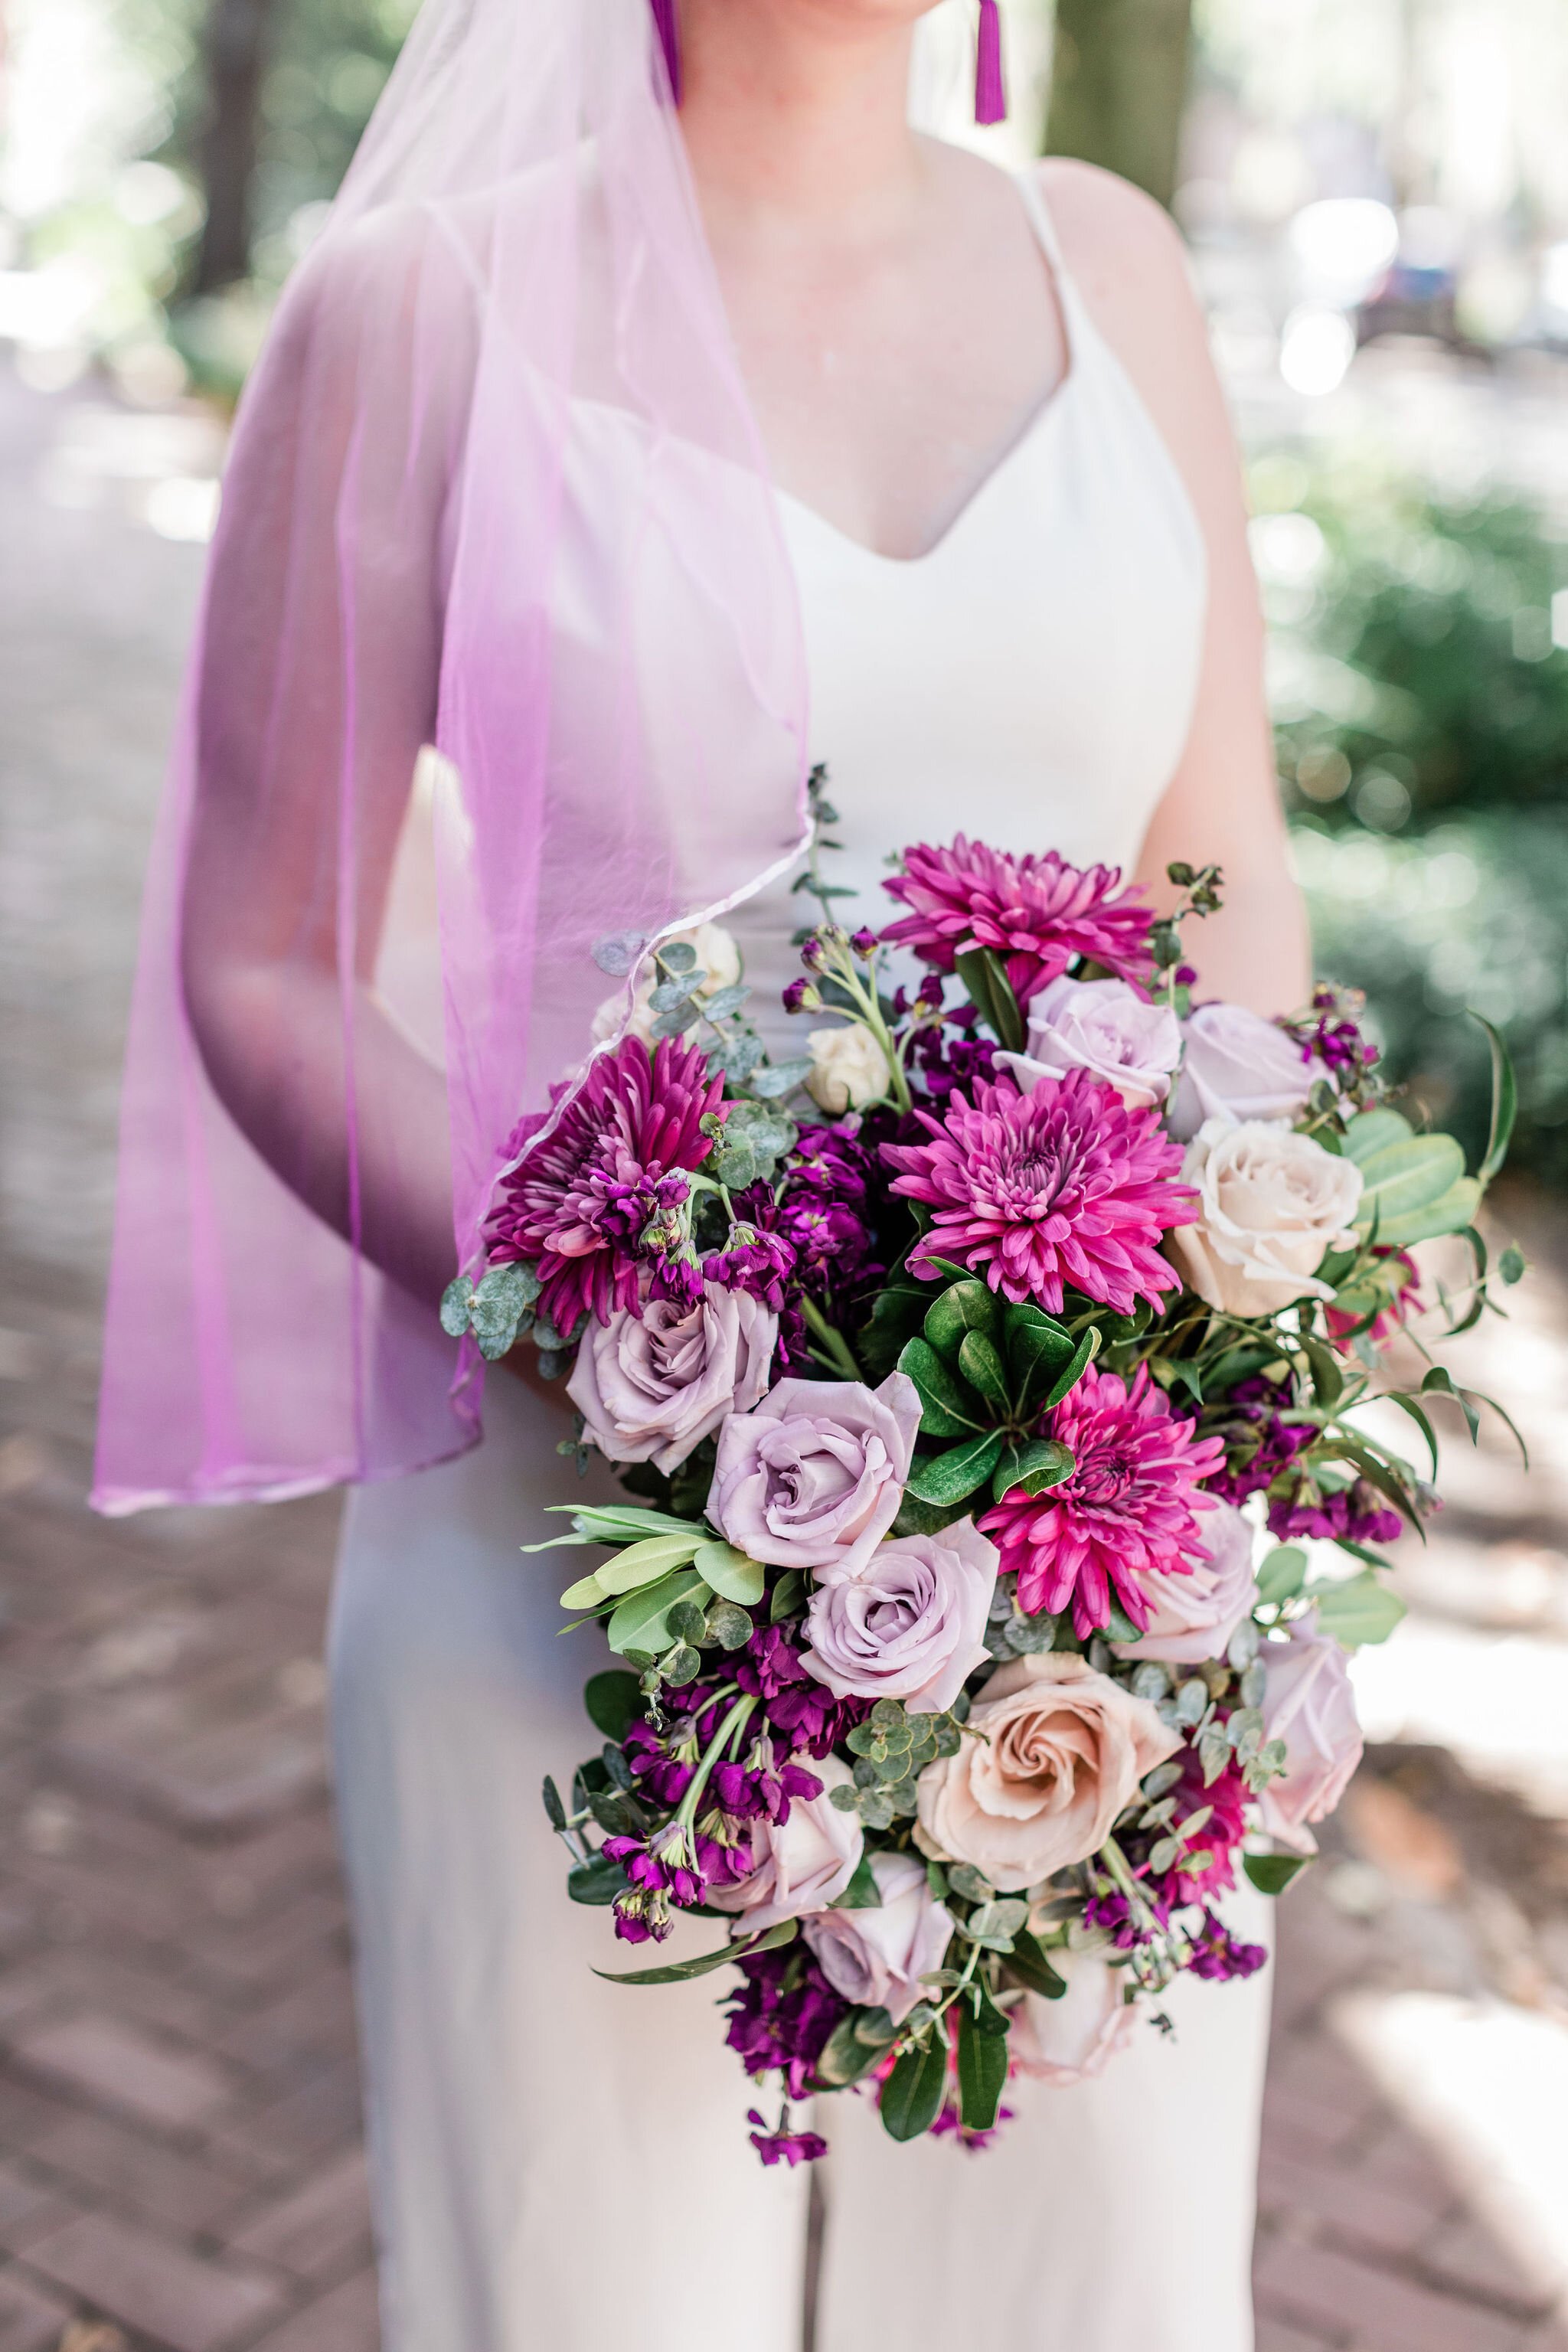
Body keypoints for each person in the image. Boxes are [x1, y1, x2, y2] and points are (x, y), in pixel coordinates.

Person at [96, 2, 1309, 2345]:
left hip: (1104, 1579)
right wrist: (691, 1372)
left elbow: (1222, 865)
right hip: (583, 1547)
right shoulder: (421, 311)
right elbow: (263, 962)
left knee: (1095, 2299)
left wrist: (1212, 1344)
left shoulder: (1115, 266)